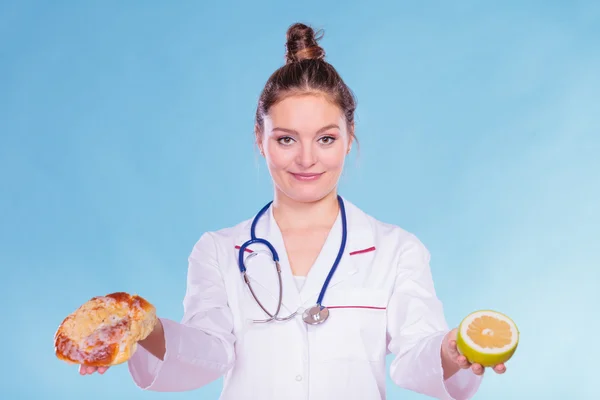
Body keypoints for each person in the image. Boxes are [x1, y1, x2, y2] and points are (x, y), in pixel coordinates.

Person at [78, 22, 508, 399]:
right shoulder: (219, 250)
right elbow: (209, 353)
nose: (306, 159)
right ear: (259, 139)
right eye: (286, 139)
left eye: (325, 139)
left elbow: (415, 359)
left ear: (348, 135)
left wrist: (451, 350)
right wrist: (144, 330)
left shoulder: (396, 249)